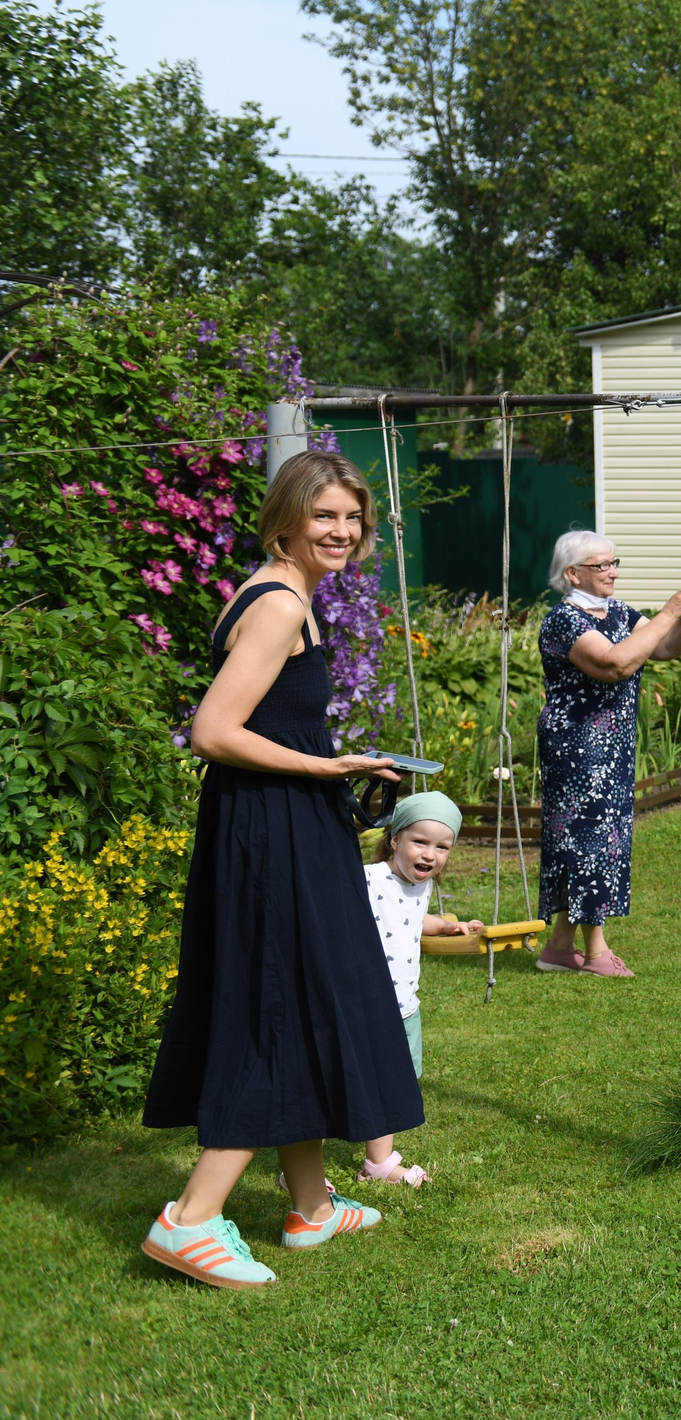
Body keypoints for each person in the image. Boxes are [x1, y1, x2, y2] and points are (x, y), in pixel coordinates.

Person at [140, 450, 417, 1291]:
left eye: (352, 518)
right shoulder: (277, 603)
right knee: (273, 1004)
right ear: (287, 519)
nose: (342, 531)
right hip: (272, 830)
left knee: (298, 994)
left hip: (280, 823)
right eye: (325, 516)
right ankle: (189, 1221)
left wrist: (335, 767)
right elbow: (213, 730)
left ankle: (308, 1203)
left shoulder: (287, 594)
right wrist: (325, 770)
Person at [536, 533, 681, 977]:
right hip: (578, 747)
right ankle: (596, 953)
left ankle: (558, 948)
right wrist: (670, 611)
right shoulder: (564, 621)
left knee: (596, 838)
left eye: (613, 562)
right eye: (602, 565)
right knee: (588, 841)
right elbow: (616, 664)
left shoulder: (619, 612)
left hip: (612, 746)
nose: (613, 571)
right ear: (573, 574)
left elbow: (664, 648)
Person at [358, 792, 481, 1185]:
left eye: (442, 847)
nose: (430, 854)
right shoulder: (370, 878)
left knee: (393, 1084)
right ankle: (299, 1171)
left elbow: (414, 918)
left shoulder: (419, 887)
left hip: (404, 1006)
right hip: (363, 1006)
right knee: (346, 1082)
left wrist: (446, 926)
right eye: (420, 842)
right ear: (394, 840)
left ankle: (378, 1163)